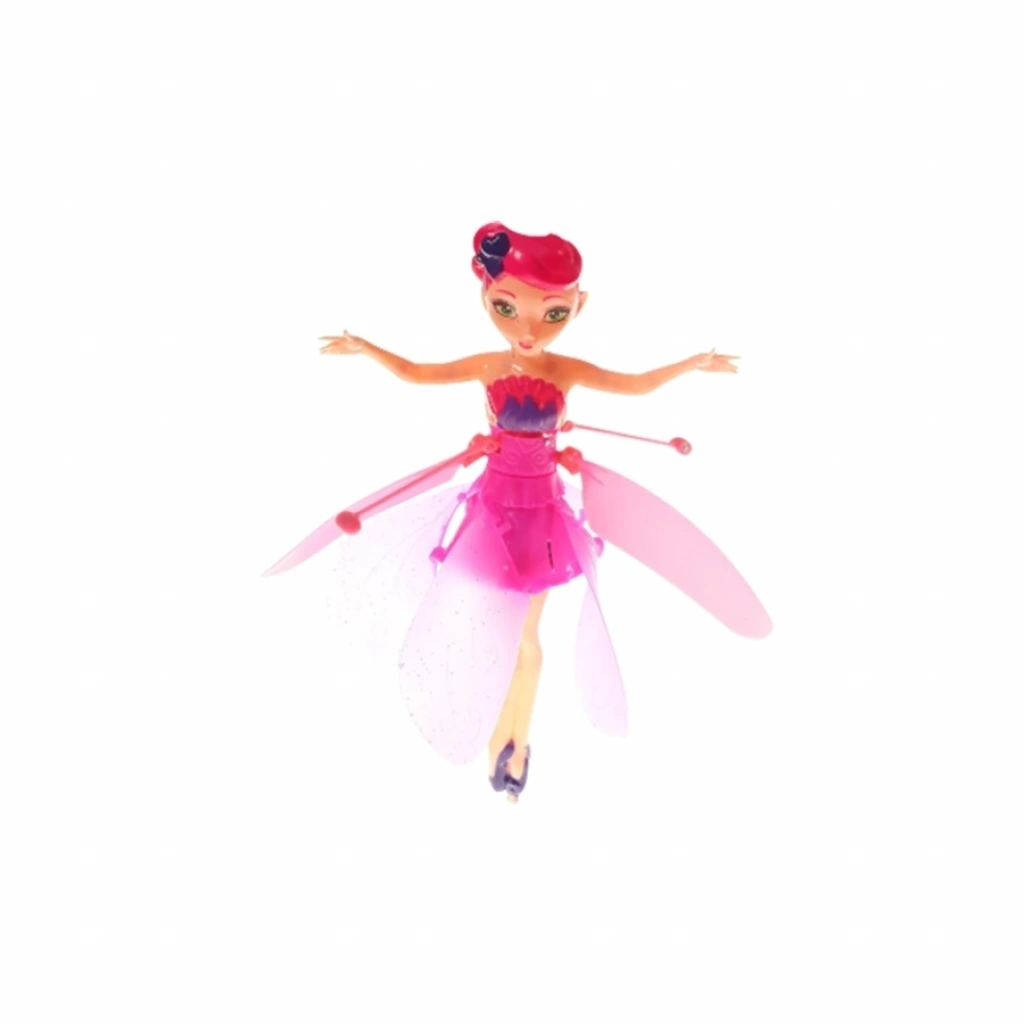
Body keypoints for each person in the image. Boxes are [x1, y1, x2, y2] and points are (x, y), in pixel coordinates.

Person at [266, 223, 771, 802]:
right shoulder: (488, 366)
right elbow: (418, 373)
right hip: (492, 512)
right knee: (492, 624)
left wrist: (691, 364)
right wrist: (367, 349)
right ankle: (492, 733)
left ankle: (516, 743)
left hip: (542, 518)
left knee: (528, 634)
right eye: (507, 308)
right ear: (485, 298)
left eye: (552, 314)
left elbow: (633, 385)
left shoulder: (565, 371)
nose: (528, 331)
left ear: (578, 307)